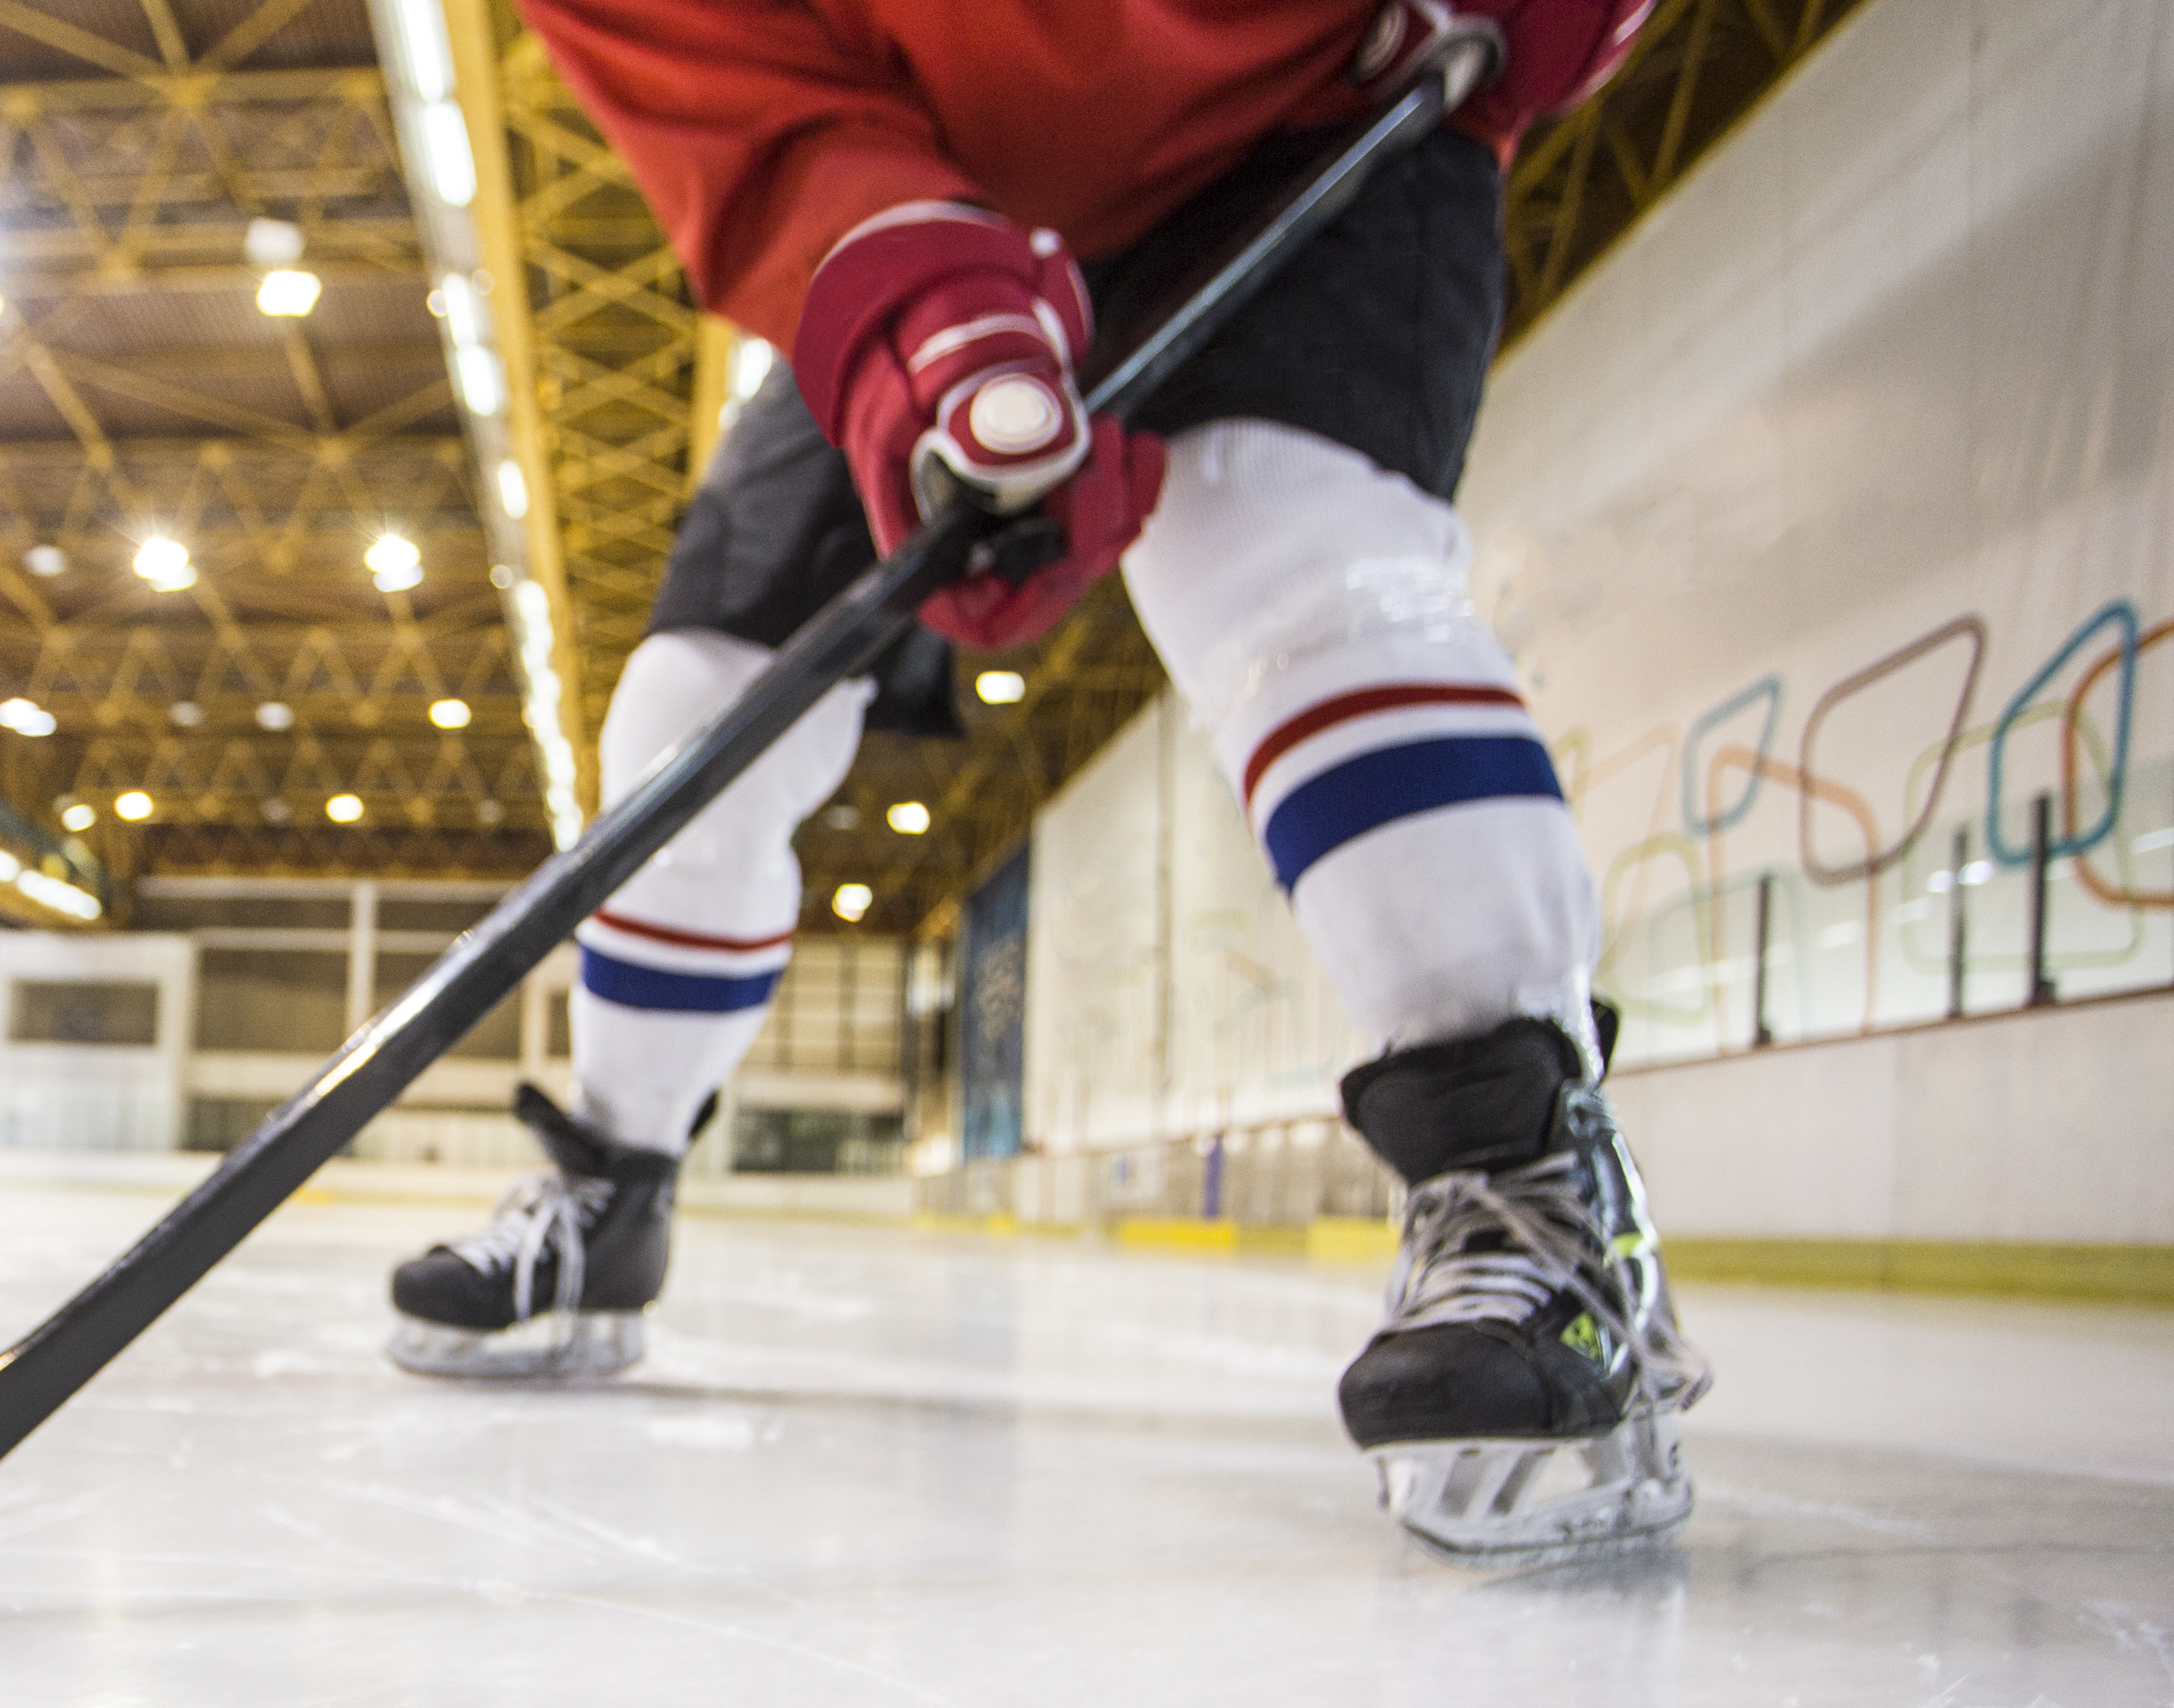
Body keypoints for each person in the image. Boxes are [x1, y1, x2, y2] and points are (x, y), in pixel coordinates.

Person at [383, 0, 1711, 1565]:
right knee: (697, 702)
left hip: (1323, 102)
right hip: (936, 204)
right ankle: (613, 1191)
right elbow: (769, 118)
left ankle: (1531, 1182)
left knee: (1287, 552)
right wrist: (933, 334)